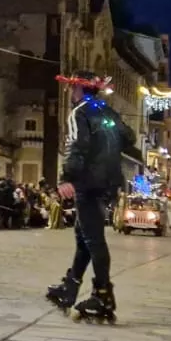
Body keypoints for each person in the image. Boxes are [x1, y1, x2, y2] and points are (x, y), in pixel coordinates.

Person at [45, 72, 135, 322]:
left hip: (88, 182)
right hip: (109, 182)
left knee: (93, 239)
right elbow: (130, 138)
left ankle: (102, 295)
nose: (69, 93)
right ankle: (71, 286)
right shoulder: (108, 113)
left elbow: (77, 146)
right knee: (84, 235)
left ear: (79, 90)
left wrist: (67, 178)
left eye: (72, 88)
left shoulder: (80, 112)